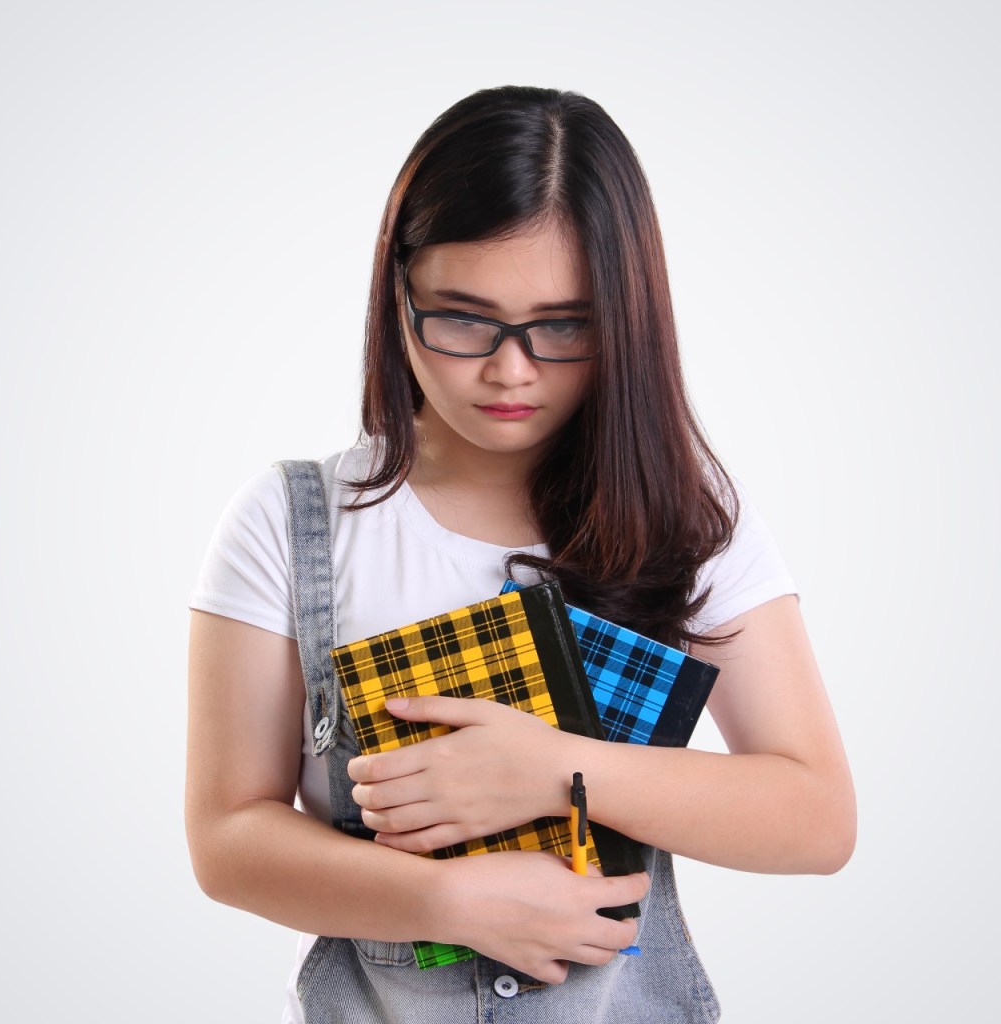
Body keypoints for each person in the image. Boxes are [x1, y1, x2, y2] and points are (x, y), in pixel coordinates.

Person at [185, 85, 855, 1023]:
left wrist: (554, 771)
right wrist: (445, 902)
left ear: (627, 317)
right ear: (397, 296)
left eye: (564, 326)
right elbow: (226, 838)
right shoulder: (291, 523)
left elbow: (816, 818)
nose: (511, 370)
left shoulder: (689, 521)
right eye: (462, 318)